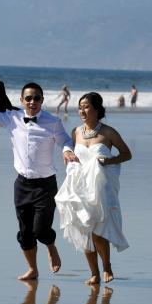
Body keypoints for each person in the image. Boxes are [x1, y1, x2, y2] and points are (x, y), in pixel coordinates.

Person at [0, 77, 78, 280]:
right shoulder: (11, 118)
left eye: (37, 98)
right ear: (22, 100)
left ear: (42, 100)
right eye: (29, 98)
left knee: (40, 229)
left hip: (46, 185)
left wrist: (67, 151)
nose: (33, 102)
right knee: (25, 232)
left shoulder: (53, 122)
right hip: (22, 184)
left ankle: (51, 246)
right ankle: (33, 269)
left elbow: (66, 140)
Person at [55, 92, 131, 284]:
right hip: (80, 186)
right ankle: (94, 273)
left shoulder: (109, 132)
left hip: (101, 187)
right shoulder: (76, 132)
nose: (82, 110)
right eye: (80, 107)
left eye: (86, 106)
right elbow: (69, 152)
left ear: (97, 109)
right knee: (83, 229)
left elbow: (127, 154)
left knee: (98, 229)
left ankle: (107, 266)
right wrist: (68, 155)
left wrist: (110, 160)